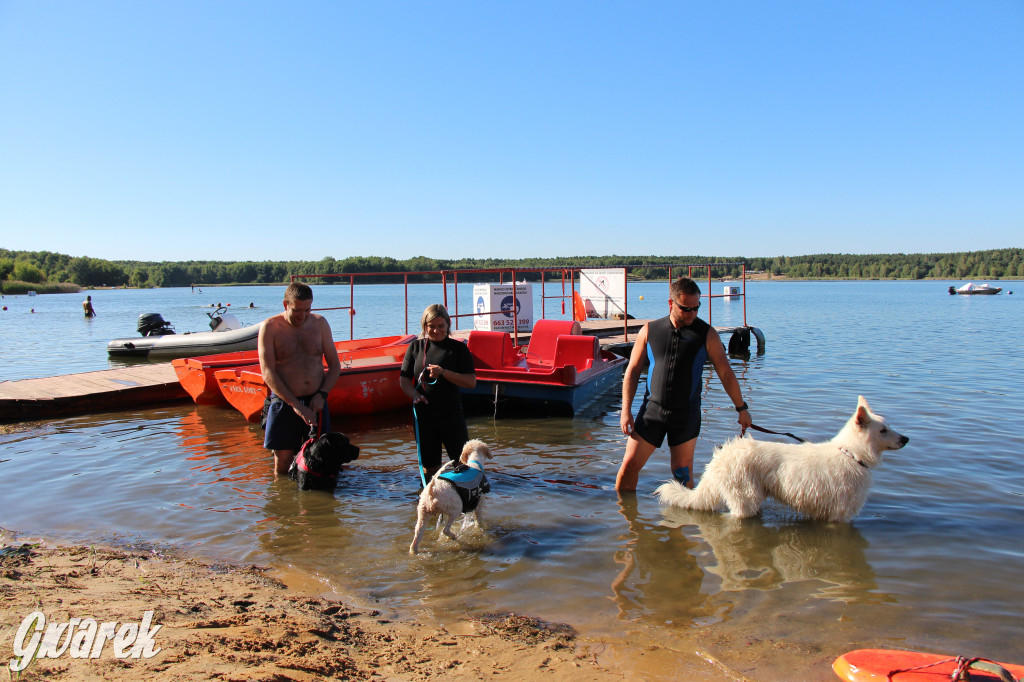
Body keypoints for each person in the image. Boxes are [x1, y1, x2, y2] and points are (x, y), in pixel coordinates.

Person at [616, 276, 752, 492]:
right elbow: (632, 371)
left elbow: (725, 373)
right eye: (686, 308)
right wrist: (625, 411)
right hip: (652, 411)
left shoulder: (706, 334)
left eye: (696, 308)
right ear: (671, 304)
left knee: (682, 473)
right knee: (629, 467)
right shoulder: (650, 331)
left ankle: (681, 525)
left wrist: (741, 408)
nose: (692, 313)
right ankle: (628, 524)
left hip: (686, 414)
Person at [258, 282, 341, 475]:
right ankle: (283, 500)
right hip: (285, 402)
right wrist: (296, 405)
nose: (302, 316)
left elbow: (335, 367)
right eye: (297, 310)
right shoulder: (270, 327)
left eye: (307, 310)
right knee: (283, 463)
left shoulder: (320, 323)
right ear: (285, 304)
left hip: (316, 401)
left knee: (322, 460)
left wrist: (321, 395)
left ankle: (316, 504)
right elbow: (268, 372)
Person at [399, 304, 476, 482]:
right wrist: (414, 395)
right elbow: (403, 380)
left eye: (441, 326)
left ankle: (464, 504)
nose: (436, 330)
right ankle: (430, 503)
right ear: (424, 326)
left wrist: (443, 372)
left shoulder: (458, 349)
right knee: (430, 469)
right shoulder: (415, 348)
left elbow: (471, 382)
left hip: (451, 416)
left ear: (448, 325)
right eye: (431, 326)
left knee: (463, 465)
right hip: (425, 418)